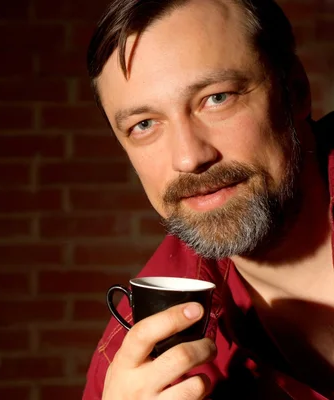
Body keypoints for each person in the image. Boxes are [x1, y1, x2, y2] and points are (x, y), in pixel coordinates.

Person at [83, 0, 334, 398]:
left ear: (295, 91)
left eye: (216, 98)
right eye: (144, 124)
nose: (189, 158)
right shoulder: (133, 368)